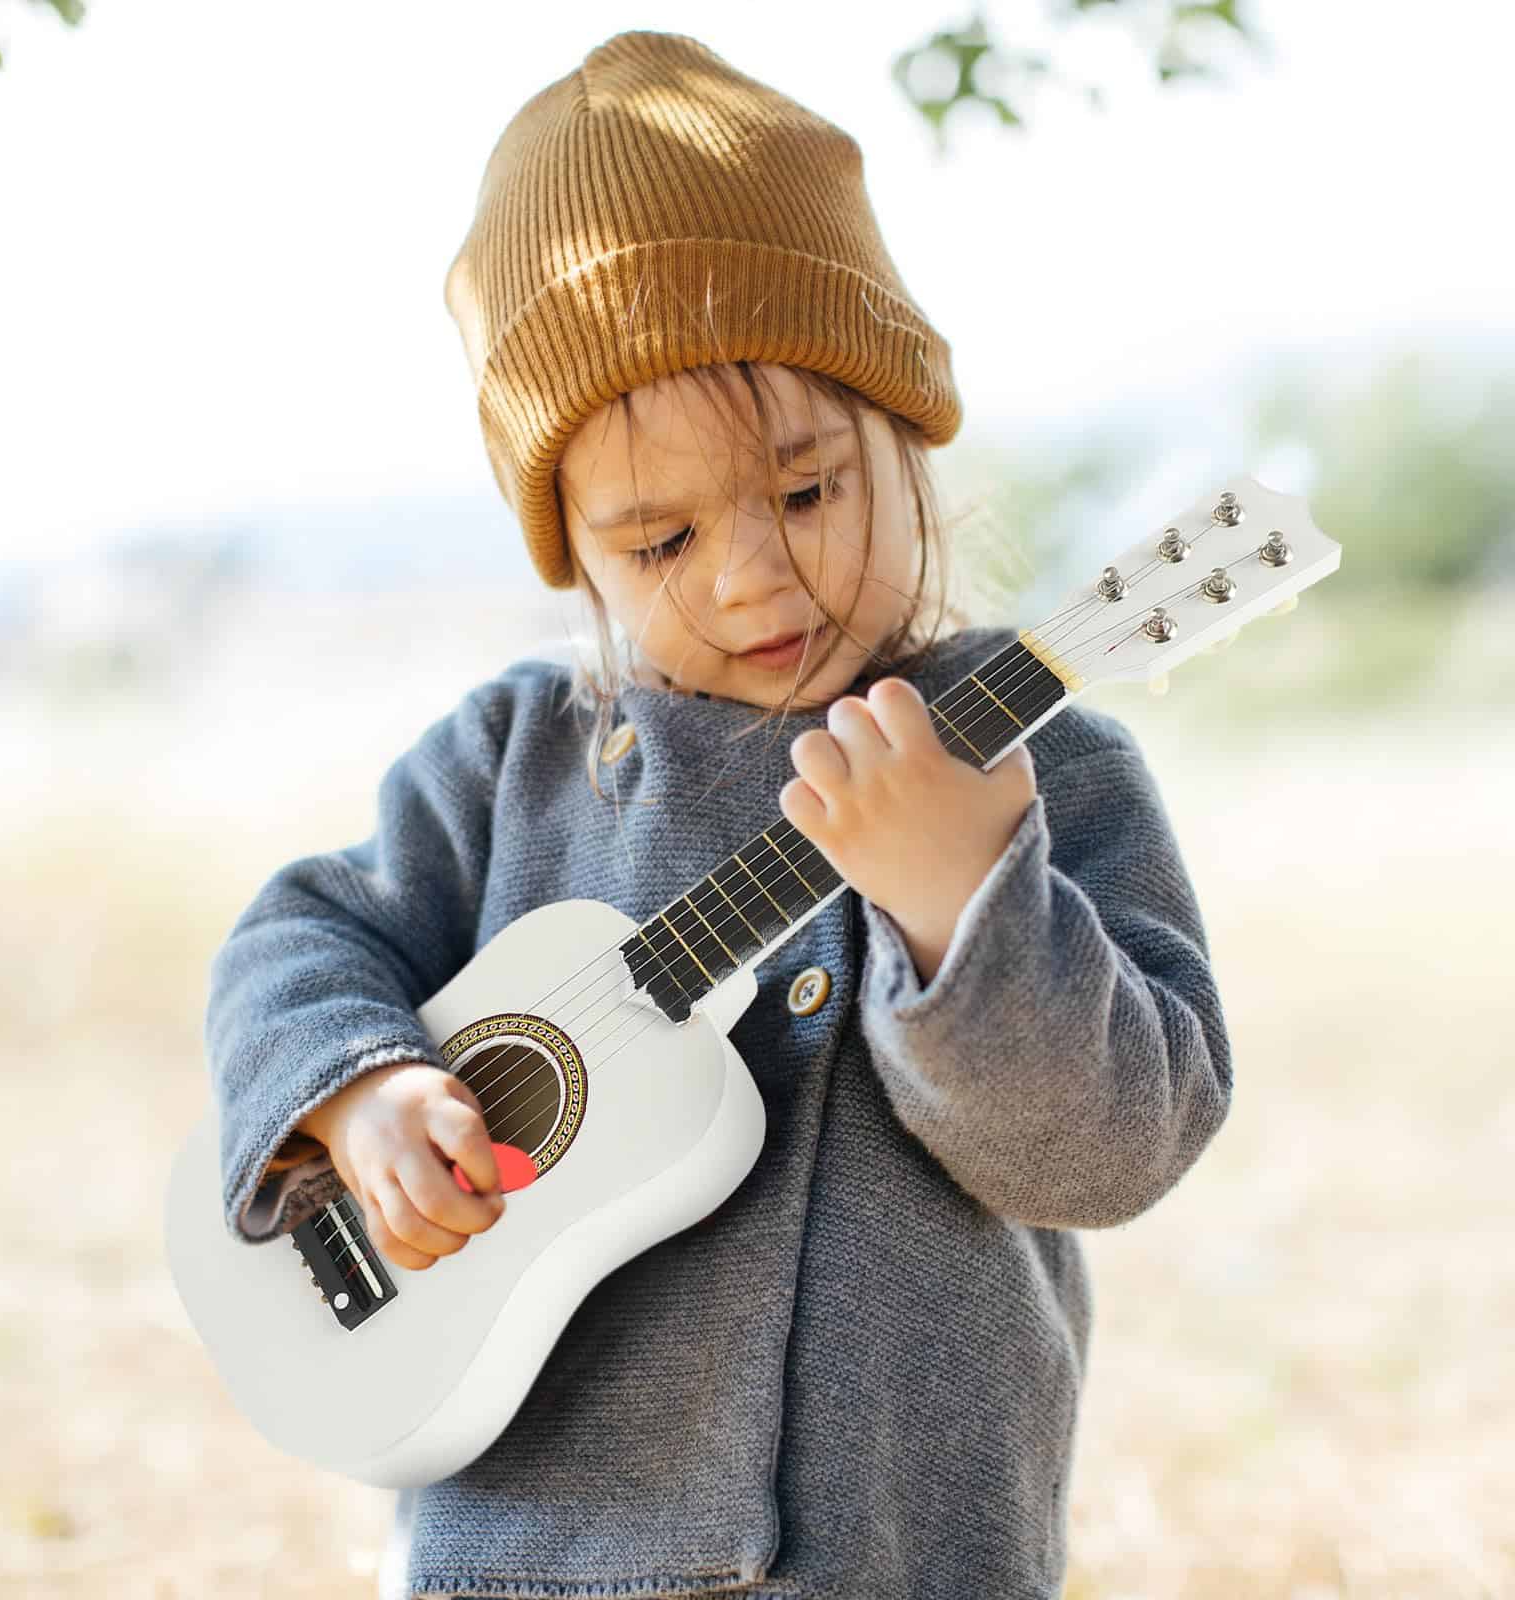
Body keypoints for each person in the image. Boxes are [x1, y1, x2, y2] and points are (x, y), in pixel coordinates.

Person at [204, 29, 1233, 1600]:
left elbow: (1114, 1151)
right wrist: (358, 1090)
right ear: (577, 552)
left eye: (807, 492)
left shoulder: (1040, 764)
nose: (752, 577)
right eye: (660, 541)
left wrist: (968, 909)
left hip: (899, 1553)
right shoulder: (513, 758)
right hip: (522, 1558)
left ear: (905, 432)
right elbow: (299, 936)